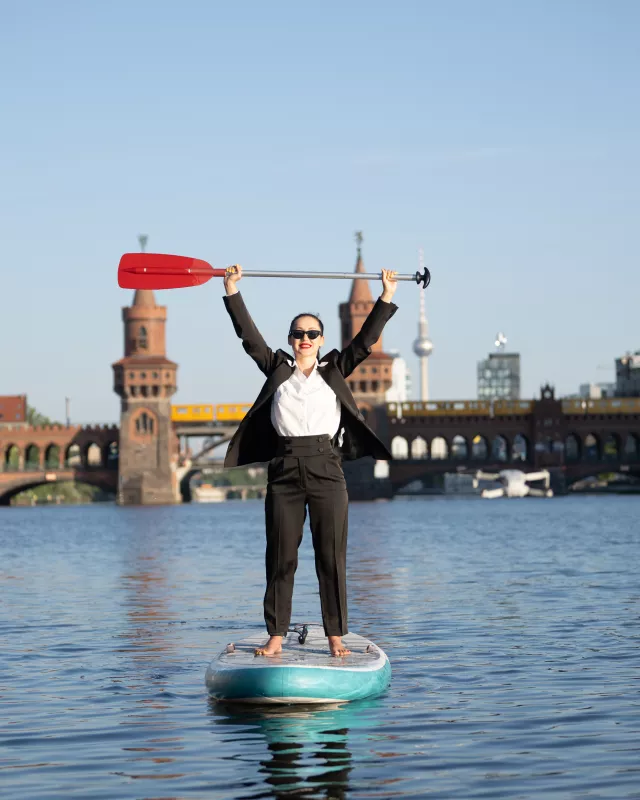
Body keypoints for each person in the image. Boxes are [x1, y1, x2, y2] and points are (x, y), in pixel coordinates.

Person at [223, 265, 398, 657]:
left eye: (312, 334)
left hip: (326, 469)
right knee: (281, 557)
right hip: (284, 470)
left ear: (321, 340)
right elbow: (249, 339)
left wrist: (385, 296)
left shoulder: (334, 369)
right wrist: (232, 292)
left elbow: (365, 342)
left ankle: (335, 635)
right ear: (290, 339)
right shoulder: (277, 369)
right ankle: (276, 637)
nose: (305, 339)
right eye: (299, 334)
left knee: (331, 556)